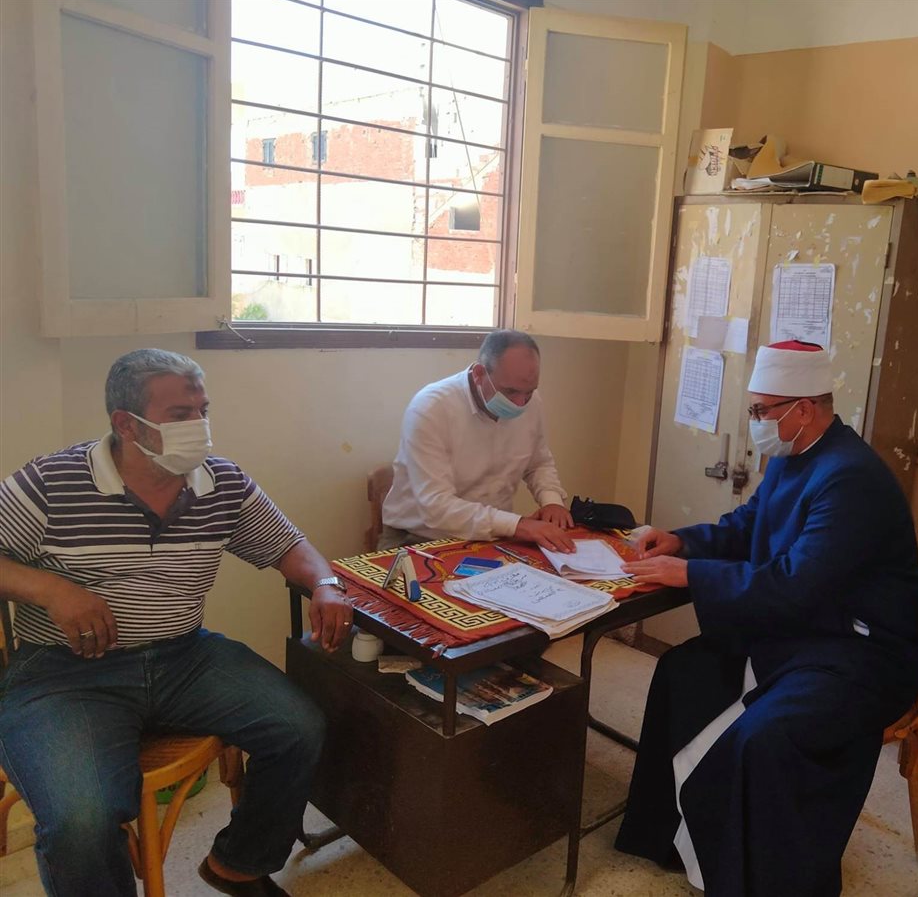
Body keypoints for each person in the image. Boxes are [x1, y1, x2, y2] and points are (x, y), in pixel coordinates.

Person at [0, 349, 354, 897]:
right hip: (66, 672)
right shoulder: (51, 482)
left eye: (202, 410)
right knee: (81, 821)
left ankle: (238, 865)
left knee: (297, 728)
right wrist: (53, 590)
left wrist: (326, 583)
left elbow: (289, 546)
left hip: (184, 655)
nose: (199, 426)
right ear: (126, 424)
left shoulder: (221, 482)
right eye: (181, 414)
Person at [614, 341, 918, 897]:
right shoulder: (792, 456)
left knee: (764, 739)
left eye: (761, 410)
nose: (754, 422)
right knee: (682, 672)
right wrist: (683, 543)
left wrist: (691, 576)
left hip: (859, 653)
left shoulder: (850, 477)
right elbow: (746, 526)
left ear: (803, 409)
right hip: (805, 632)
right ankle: (670, 839)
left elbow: (797, 583)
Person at [378, 329, 575, 553]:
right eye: (510, 392)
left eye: (529, 392)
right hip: (418, 537)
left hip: (494, 535)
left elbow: (538, 463)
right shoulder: (431, 408)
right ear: (479, 374)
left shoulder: (531, 403)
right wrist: (518, 526)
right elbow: (436, 507)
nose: (520, 403)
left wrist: (552, 502)